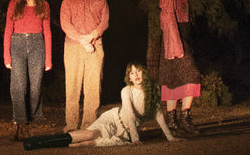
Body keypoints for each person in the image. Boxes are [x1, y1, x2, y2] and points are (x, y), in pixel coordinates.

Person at [23, 62, 176, 149]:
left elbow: (159, 114)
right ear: (128, 77)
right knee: (90, 135)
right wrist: (135, 138)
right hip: (114, 119)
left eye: (138, 71)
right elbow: (129, 114)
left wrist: (170, 138)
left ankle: (56, 145)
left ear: (144, 73)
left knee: (86, 144)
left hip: (124, 134)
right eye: (131, 73)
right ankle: (38, 142)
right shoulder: (126, 91)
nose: (135, 75)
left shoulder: (154, 89)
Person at [4, 0, 53, 141]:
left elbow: (47, 32)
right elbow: (8, 30)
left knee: (35, 86)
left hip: (37, 44)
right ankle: (20, 123)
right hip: (17, 44)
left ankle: (30, 118)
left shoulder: (44, 4)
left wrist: (48, 58)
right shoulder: (14, 3)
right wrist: (6, 56)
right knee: (18, 86)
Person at [60, 0, 110, 131]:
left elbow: (104, 22)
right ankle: (71, 125)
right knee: (72, 86)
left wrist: (91, 37)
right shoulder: (68, 0)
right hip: (73, 47)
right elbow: (65, 24)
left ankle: (89, 125)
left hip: (95, 46)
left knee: (93, 86)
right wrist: (82, 41)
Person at [158, 0, 201, 137]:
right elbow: (167, 18)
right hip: (173, 38)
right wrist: (174, 45)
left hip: (182, 36)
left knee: (176, 78)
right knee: (189, 75)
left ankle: (178, 120)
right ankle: (178, 119)